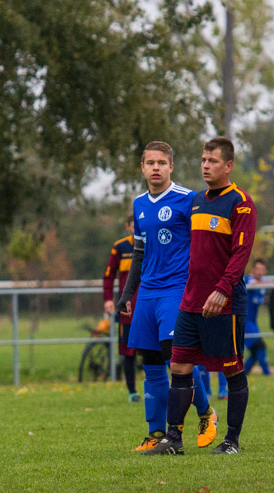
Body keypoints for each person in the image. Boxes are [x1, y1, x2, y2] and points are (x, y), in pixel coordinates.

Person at [144, 136, 256, 456]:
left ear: (228, 166)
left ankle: (231, 441)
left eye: (213, 161)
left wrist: (222, 289)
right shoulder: (195, 201)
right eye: (204, 160)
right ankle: (173, 439)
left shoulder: (241, 203)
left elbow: (240, 254)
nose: (206, 166)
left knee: (232, 369)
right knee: (179, 366)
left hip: (225, 304)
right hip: (191, 301)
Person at [116, 141, 216, 453]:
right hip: (147, 292)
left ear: (171, 166)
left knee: (177, 360)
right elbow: (139, 251)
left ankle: (206, 413)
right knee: (151, 365)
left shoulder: (188, 198)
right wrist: (128, 293)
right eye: (150, 163)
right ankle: (155, 433)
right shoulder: (139, 204)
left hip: (176, 289)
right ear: (142, 168)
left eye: (161, 162)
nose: (156, 168)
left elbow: (202, 244)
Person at [103, 215, 140, 402]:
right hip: (127, 309)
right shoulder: (120, 247)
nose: (137, 228)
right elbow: (108, 276)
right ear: (127, 227)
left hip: (147, 306)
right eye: (134, 225)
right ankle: (132, 392)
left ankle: (157, 389)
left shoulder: (152, 243)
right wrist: (108, 299)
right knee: (127, 352)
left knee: (154, 350)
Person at [243, 258, 271, 375]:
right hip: (245, 321)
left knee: (255, 351)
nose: (259, 272)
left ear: (265, 271)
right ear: (253, 269)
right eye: (257, 269)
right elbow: (254, 284)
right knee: (260, 346)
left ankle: (243, 374)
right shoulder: (248, 279)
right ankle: (267, 374)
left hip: (253, 321)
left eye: (262, 269)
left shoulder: (264, 281)